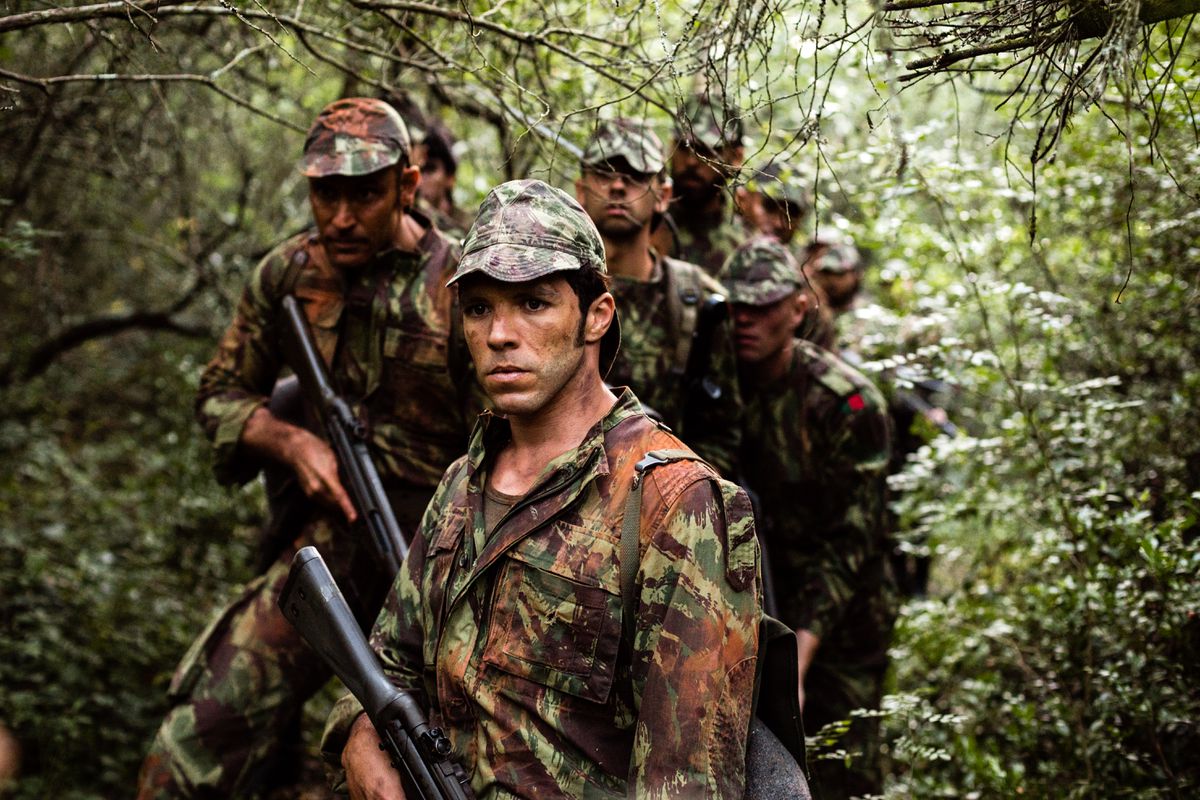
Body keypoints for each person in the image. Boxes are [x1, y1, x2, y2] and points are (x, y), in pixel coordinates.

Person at [323, 179, 763, 799]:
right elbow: (387, 663)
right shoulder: (462, 483)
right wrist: (359, 730)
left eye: (533, 303)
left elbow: (687, 783)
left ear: (596, 316)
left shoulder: (673, 503)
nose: (500, 334)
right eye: (479, 308)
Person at [136, 97, 479, 799]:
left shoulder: (459, 286)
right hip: (331, 547)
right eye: (326, 195)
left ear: (407, 186)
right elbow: (219, 393)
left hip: (444, 560)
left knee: (431, 764)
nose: (341, 217)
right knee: (193, 743)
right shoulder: (287, 274)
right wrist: (290, 442)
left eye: (365, 194)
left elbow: (504, 445)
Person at [721, 236, 896, 800]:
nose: (746, 320)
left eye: (763, 307)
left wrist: (797, 661)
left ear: (798, 309)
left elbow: (849, 545)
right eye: (736, 306)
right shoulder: (715, 389)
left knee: (844, 767)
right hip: (751, 609)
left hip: (842, 623)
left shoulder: (845, 403)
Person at [574, 118, 743, 477]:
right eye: (603, 173)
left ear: (663, 195)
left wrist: (677, 487)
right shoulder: (550, 293)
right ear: (581, 191)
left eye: (635, 176)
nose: (618, 186)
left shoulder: (698, 299)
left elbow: (722, 433)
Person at [651, 93, 748, 276]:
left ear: (735, 157)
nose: (691, 161)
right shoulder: (642, 227)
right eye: (684, 146)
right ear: (671, 147)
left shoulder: (744, 250)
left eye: (706, 151)